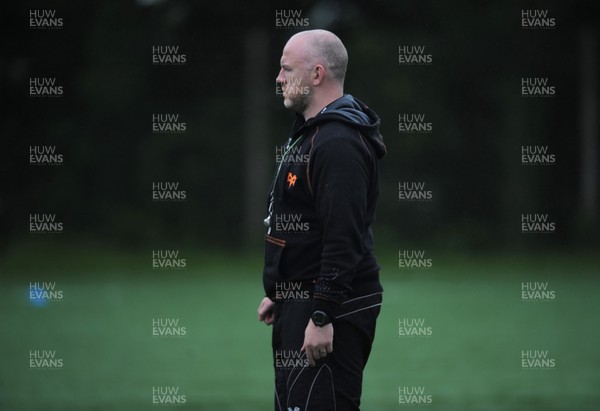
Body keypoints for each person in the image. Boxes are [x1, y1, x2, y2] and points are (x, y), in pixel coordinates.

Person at [257, 29, 386, 411]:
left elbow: (342, 238)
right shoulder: (312, 135)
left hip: (330, 311)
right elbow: (305, 223)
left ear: (316, 74)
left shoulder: (337, 143)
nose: (278, 79)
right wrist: (283, 289)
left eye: (286, 69)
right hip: (304, 301)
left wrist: (321, 313)